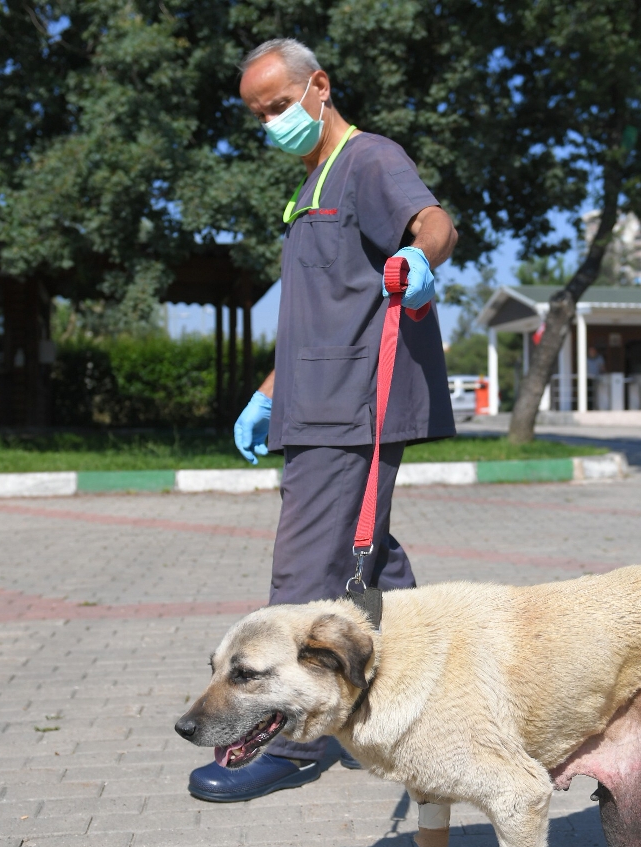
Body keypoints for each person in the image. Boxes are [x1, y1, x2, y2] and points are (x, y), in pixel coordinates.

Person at [187, 38, 458, 802]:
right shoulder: (312, 182)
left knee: (303, 573)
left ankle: (290, 744)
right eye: (259, 113)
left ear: (319, 88)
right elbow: (317, 315)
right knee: (377, 574)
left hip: (354, 405)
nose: (271, 121)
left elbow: (432, 223)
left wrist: (424, 261)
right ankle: (434, 699)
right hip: (313, 402)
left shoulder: (369, 160)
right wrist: (270, 391)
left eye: (279, 104)